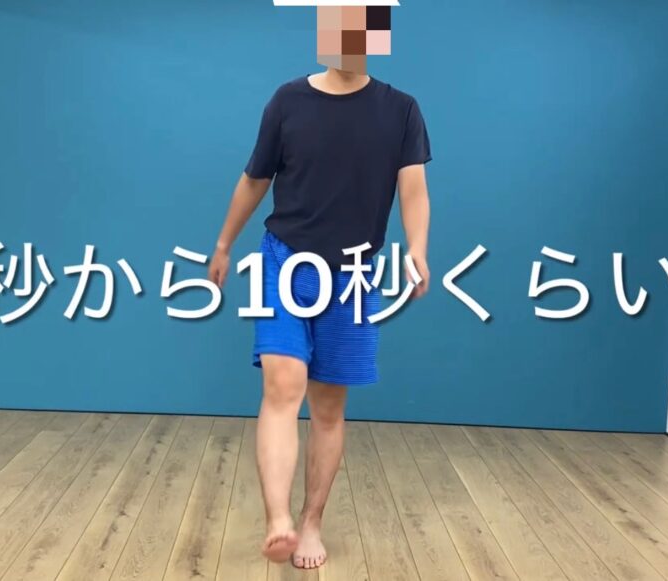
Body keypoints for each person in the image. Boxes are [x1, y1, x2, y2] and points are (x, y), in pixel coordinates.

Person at [207, 6, 431, 570]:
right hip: (285, 260)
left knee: (328, 407)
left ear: (377, 34)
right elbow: (255, 179)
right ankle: (277, 519)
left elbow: (413, 189)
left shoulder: (401, 110)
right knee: (283, 384)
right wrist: (224, 244)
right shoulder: (288, 101)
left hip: (353, 272)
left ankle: (310, 522)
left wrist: (417, 249)